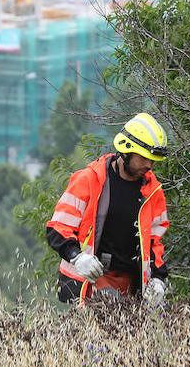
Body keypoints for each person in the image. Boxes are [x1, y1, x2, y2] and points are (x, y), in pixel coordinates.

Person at [46, 112, 170, 307]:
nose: (149, 165)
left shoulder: (153, 192)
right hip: (91, 279)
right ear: (126, 151)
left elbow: (155, 243)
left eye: (152, 160)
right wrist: (77, 258)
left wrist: (158, 279)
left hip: (134, 285)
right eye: (143, 158)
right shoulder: (89, 180)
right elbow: (57, 228)